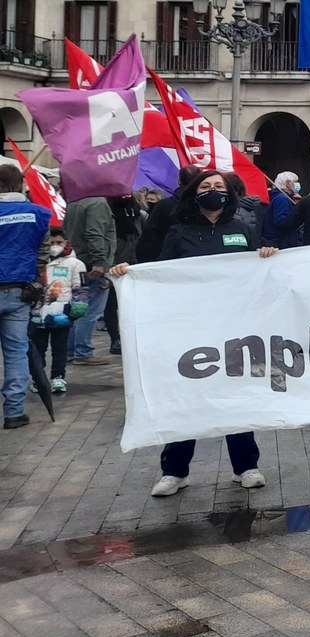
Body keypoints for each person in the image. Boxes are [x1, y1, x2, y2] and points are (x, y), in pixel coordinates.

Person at [109, 171, 279, 492]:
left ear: (229, 194)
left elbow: (258, 273)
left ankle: (246, 466)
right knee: (186, 395)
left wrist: (266, 256)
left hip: (233, 327)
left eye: (218, 187)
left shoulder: (242, 230)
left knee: (235, 396)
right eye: (205, 186)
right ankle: (175, 471)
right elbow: (160, 275)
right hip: (190, 328)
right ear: (193, 193)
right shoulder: (179, 233)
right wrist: (128, 273)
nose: (212, 191)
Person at [0, 165, 51, 430]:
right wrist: (32, 277)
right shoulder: (39, 214)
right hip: (19, 291)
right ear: (21, 185)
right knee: (16, 352)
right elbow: (42, 254)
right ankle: (14, 411)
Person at [62, 188, 114, 367]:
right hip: (92, 264)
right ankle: (83, 351)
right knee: (90, 310)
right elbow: (94, 233)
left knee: (75, 307)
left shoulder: (75, 201)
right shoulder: (98, 202)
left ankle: (69, 350)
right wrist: (99, 261)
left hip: (76, 261)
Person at [30, 227, 85, 395]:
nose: (55, 246)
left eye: (58, 242)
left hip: (62, 313)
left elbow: (80, 288)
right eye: (51, 242)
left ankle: (58, 377)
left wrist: (78, 307)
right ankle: (38, 379)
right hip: (38, 312)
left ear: (66, 243)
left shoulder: (75, 264)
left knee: (60, 348)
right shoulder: (39, 262)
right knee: (38, 349)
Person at [103, 193, 144, 356]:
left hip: (134, 263)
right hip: (114, 263)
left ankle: (132, 338)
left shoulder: (136, 213)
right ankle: (115, 339)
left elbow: (144, 236)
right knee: (112, 303)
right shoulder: (109, 213)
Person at [136, 166, 203, 262]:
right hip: (197, 259)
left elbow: (149, 237)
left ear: (179, 180)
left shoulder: (163, 206)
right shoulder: (206, 205)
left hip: (165, 260)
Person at [262, 170, 303, 249]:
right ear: (288, 184)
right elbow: (281, 221)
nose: (297, 184)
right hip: (281, 242)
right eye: (295, 182)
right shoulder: (282, 199)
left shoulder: (279, 197)